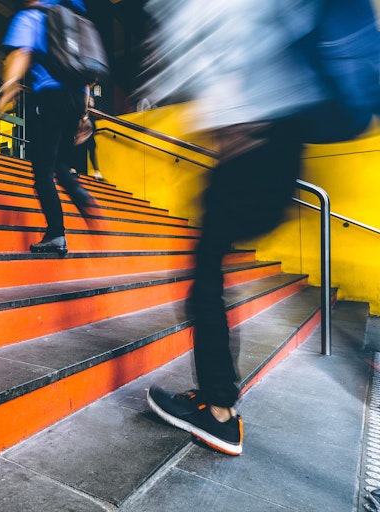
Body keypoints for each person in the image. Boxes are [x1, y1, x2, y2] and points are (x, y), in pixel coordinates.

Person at [139, 0, 331, 455]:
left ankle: (219, 412)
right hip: (279, 149)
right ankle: (219, 399)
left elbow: (201, 56)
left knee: (204, 286)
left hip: (251, 154)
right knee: (208, 281)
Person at [0, 0, 98, 256]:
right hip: (75, 100)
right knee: (60, 162)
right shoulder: (73, 21)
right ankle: (78, 191)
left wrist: (8, 87)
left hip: (50, 97)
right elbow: (85, 76)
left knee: (42, 169)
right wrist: (83, 115)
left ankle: (55, 234)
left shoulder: (32, 15)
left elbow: (21, 52)